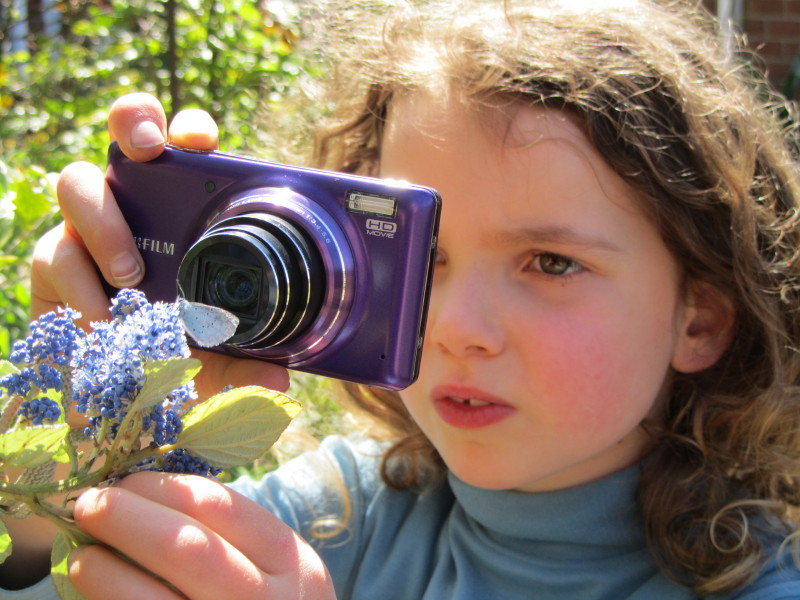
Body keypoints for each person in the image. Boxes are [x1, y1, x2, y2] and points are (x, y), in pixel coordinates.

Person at [4, 0, 800, 597]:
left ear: (700, 317)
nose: (456, 329)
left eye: (550, 262)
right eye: (428, 256)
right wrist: (68, 451)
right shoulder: (341, 509)